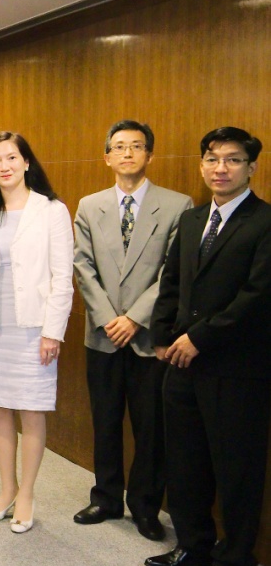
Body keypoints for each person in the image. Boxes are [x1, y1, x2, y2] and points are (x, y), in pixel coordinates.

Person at [147, 126, 271, 566]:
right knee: (185, 461)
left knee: (236, 467)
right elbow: (172, 283)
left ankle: (235, 559)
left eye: (233, 160)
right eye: (213, 159)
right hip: (180, 364)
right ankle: (193, 544)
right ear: (202, 165)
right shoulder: (195, 220)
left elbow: (257, 298)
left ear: (251, 167)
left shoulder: (264, 223)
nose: (221, 168)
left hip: (236, 368)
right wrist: (162, 338)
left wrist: (198, 337)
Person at [72, 120, 191, 540]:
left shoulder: (178, 205)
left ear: (149, 155)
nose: (127, 154)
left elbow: (172, 272)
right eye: (118, 147)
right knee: (104, 420)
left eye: (136, 147)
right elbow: (83, 266)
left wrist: (135, 317)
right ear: (107, 157)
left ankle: (144, 505)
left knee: (149, 427)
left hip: (147, 335)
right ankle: (105, 497)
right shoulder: (89, 205)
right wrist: (108, 317)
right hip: (102, 333)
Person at [0, 131, 73, 535]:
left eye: (11, 158)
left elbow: (63, 277)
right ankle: (6, 488)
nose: (4, 166)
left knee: (30, 411)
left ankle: (27, 492)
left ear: (27, 162)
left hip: (34, 328)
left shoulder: (52, 211)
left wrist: (53, 332)